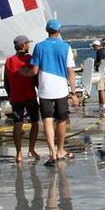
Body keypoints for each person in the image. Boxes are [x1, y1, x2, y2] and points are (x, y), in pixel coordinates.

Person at [27, 19, 78, 167]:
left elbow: (34, 71)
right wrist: (73, 92)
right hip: (61, 88)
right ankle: (60, 149)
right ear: (59, 30)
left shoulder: (39, 46)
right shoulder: (65, 47)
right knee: (61, 120)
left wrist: (23, 72)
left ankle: (52, 153)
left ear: (47, 30)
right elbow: (70, 71)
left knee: (48, 121)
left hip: (45, 89)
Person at [5, 35, 40, 164]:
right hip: (29, 96)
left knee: (17, 123)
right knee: (35, 122)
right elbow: (35, 78)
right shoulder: (29, 59)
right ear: (24, 45)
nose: (29, 46)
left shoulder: (9, 61)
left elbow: (6, 82)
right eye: (28, 44)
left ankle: (18, 153)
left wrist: (10, 96)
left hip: (16, 98)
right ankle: (31, 149)